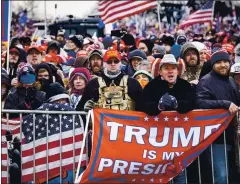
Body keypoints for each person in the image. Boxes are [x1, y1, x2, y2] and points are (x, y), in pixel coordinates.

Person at [142, 54, 195, 184]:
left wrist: (178, 105)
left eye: (173, 68)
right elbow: (141, 105)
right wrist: (158, 106)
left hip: (179, 140)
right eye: (166, 68)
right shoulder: (151, 86)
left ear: (178, 70)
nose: (170, 71)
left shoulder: (185, 85)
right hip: (157, 140)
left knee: (179, 173)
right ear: (160, 71)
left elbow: (192, 103)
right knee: (158, 174)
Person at [196, 50, 240, 184]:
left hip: (232, 136)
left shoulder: (231, 81)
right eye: (219, 62)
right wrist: (225, 104)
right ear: (213, 64)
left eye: (225, 62)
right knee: (221, 176)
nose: (223, 65)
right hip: (216, 137)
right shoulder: (206, 81)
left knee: (232, 175)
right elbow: (200, 103)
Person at [76, 49, 143, 112]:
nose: (113, 64)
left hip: (127, 123)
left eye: (116, 61)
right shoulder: (93, 84)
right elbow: (79, 109)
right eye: (109, 61)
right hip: (101, 124)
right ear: (104, 63)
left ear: (120, 63)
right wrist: (85, 109)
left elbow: (142, 107)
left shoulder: (132, 83)